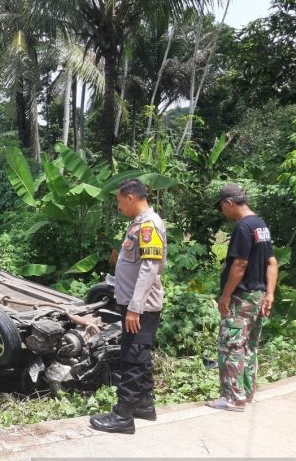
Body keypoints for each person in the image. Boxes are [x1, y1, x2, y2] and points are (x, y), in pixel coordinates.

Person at [90, 179, 166, 434]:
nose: (119, 207)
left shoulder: (149, 225)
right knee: (139, 355)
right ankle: (144, 404)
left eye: (120, 202)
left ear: (131, 198)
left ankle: (123, 416)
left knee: (132, 358)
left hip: (141, 307)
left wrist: (135, 307)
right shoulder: (138, 224)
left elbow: (150, 267)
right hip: (134, 303)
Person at [206, 184, 277, 412]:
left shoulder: (243, 227)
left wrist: (225, 296)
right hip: (258, 296)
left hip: (242, 297)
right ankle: (246, 393)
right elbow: (272, 263)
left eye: (221, 207)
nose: (222, 212)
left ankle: (233, 398)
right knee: (249, 347)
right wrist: (270, 294)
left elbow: (240, 264)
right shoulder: (261, 226)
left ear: (229, 203)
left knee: (231, 346)